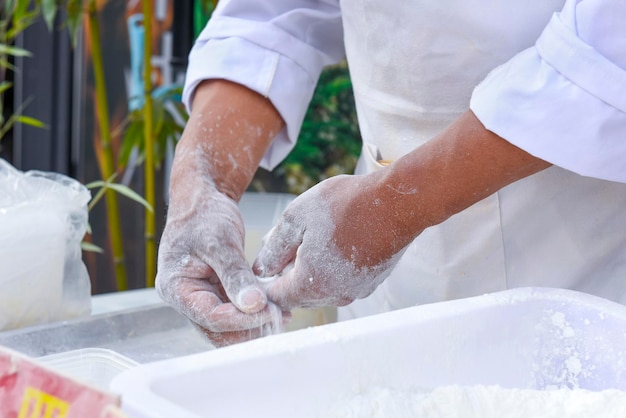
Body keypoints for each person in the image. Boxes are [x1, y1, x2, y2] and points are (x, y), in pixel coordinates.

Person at [156, 0, 626, 347]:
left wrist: (396, 206)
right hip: (386, 283)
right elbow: (271, 17)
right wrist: (201, 182)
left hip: (581, 271)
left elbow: (604, 58)